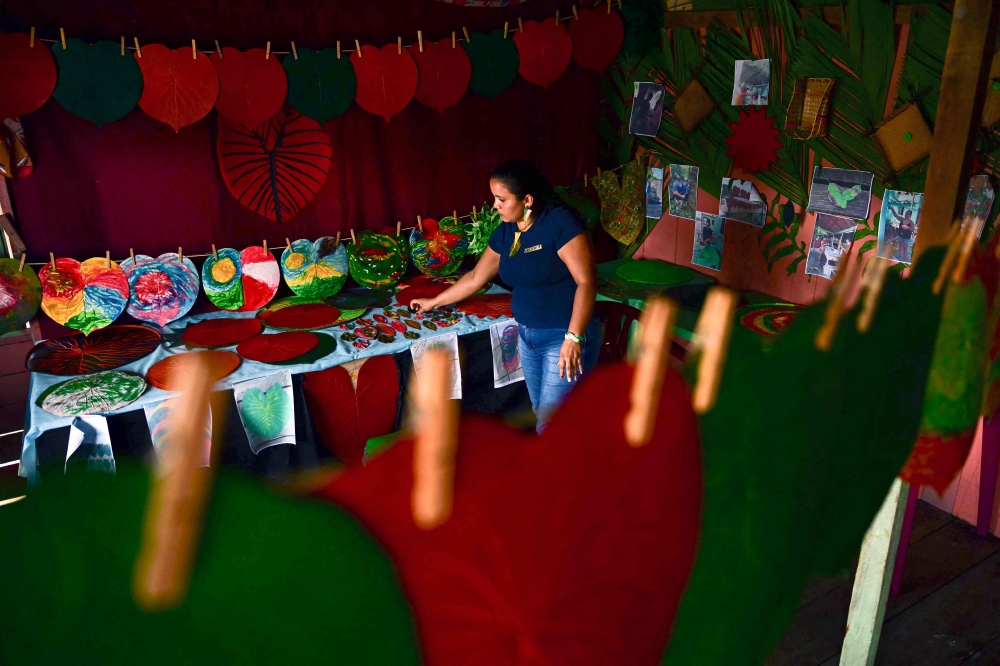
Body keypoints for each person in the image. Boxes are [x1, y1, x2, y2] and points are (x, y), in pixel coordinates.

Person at [409, 159, 600, 432]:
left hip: (563, 336)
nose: (495, 206)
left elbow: (587, 282)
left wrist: (574, 336)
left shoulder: (559, 224)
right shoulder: (506, 232)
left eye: (501, 199)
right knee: (541, 413)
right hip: (527, 336)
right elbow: (476, 277)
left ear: (528, 200)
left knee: (553, 423)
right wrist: (434, 302)